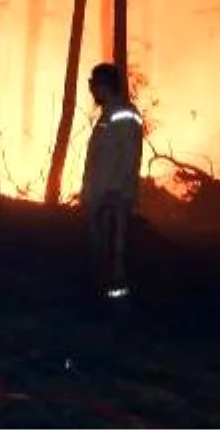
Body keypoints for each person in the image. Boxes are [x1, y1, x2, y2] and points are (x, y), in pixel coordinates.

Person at [80, 63, 143, 301]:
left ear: (103, 85)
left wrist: (114, 193)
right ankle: (103, 303)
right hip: (102, 200)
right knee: (102, 257)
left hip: (113, 200)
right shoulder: (109, 115)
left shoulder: (123, 115)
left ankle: (118, 309)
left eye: (92, 85)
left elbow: (129, 157)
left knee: (115, 259)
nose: (91, 91)